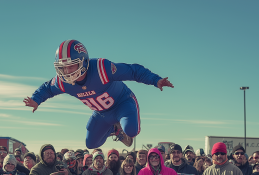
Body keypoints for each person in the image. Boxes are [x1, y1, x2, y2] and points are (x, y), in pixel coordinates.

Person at [24, 40, 174, 148]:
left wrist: (155, 80)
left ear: (83, 62)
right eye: (63, 67)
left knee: (131, 130)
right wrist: (37, 99)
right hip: (102, 112)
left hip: (122, 103)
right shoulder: (62, 82)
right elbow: (47, 88)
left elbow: (133, 71)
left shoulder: (102, 69)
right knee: (91, 144)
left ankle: (121, 128)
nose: (67, 72)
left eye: (71, 66)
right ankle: (114, 129)